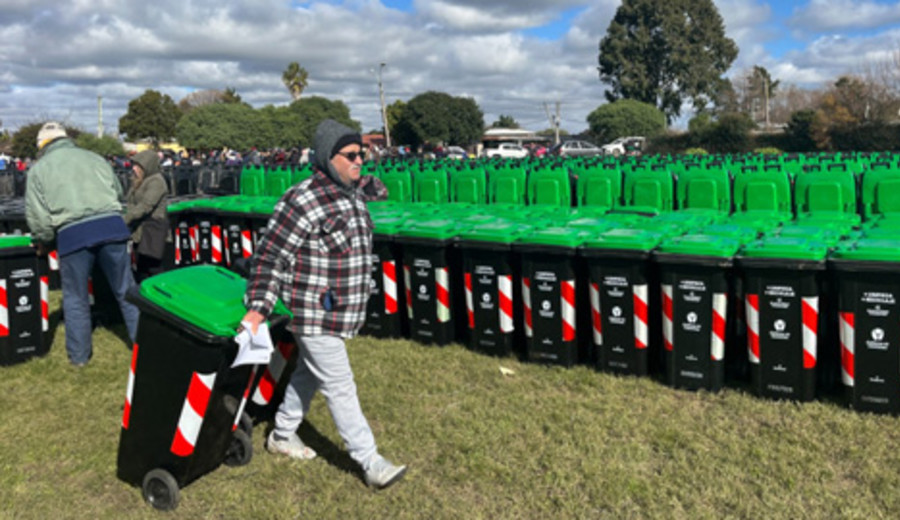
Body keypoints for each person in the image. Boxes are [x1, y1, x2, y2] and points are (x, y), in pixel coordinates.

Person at [241, 119, 406, 490]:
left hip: (339, 314)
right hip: (312, 312)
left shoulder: (351, 191)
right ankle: (370, 460)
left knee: (309, 375)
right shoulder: (302, 199)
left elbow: (376, 187)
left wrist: (362, 177)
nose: (359, 161)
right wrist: (258, 307)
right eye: (350, 155)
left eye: (362, 154)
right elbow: (269, 258)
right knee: (339, 383)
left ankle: (282, 434)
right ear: (327, 158)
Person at [25, 122, 140, 367]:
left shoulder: (39, 170)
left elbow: (38, 216)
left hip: (72, 233)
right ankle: (143, 346)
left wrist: (46, 241)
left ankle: (79, 357)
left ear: (42, 145)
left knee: (76, 297)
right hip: (111, 226)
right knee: (126, 290)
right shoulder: (96, 158)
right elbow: (118, 191)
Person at [124, 150, 169, 282]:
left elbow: (145, 206)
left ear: (147, 166)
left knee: (154, 268)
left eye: (138, 166)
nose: (134, 169)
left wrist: (124, 220)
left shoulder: (156, 182)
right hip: (139, 230)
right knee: (141, 268)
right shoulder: (139, 181)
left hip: (152, 230)